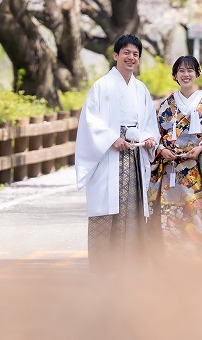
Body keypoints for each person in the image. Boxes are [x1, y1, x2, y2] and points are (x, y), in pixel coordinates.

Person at [74, 34, 159, 270]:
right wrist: (112, 138)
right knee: (106, 209)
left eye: (135, 54)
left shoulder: (141, 90)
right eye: (126, 53)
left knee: (132, 209)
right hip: (108, 157)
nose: (131, 58)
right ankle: (103, 269)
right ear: (115, 55)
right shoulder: (102, 86)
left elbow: (148, 123)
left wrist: (149, 138)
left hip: (133, 157)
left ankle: (129, 267)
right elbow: (90, 122)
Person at [149, 55, 202, 259]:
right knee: (172, 209)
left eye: (190, 70)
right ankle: (174, 252)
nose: (186, 74)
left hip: (198, 169)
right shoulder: (166, 105)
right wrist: (161, 150)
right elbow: (154, 132)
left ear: (197, 73)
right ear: (175, 76)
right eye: (181, 71)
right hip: (172, 168)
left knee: (199, 209)